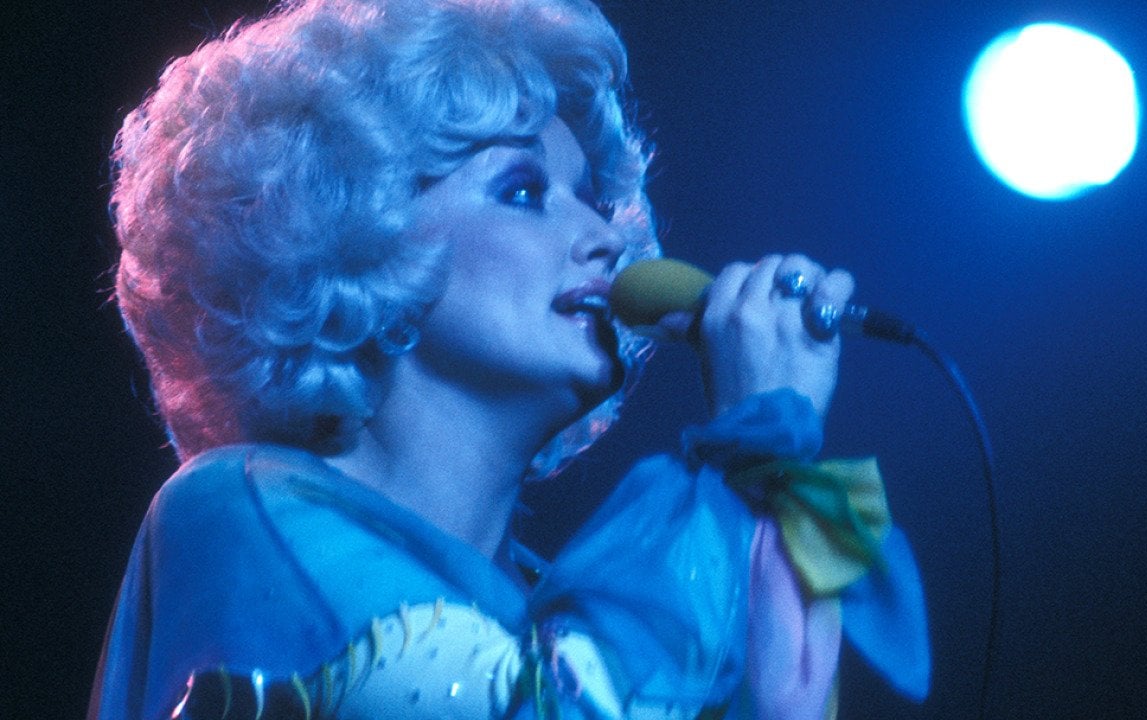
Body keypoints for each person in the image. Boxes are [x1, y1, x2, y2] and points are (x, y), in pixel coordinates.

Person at [88, 0, 930, 718]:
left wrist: (771, 495)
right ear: (355, 242)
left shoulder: (557, 607)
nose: (607, 238)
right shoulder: (232, 514)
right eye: (523, 192)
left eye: (596, 202)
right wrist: (746, 440)